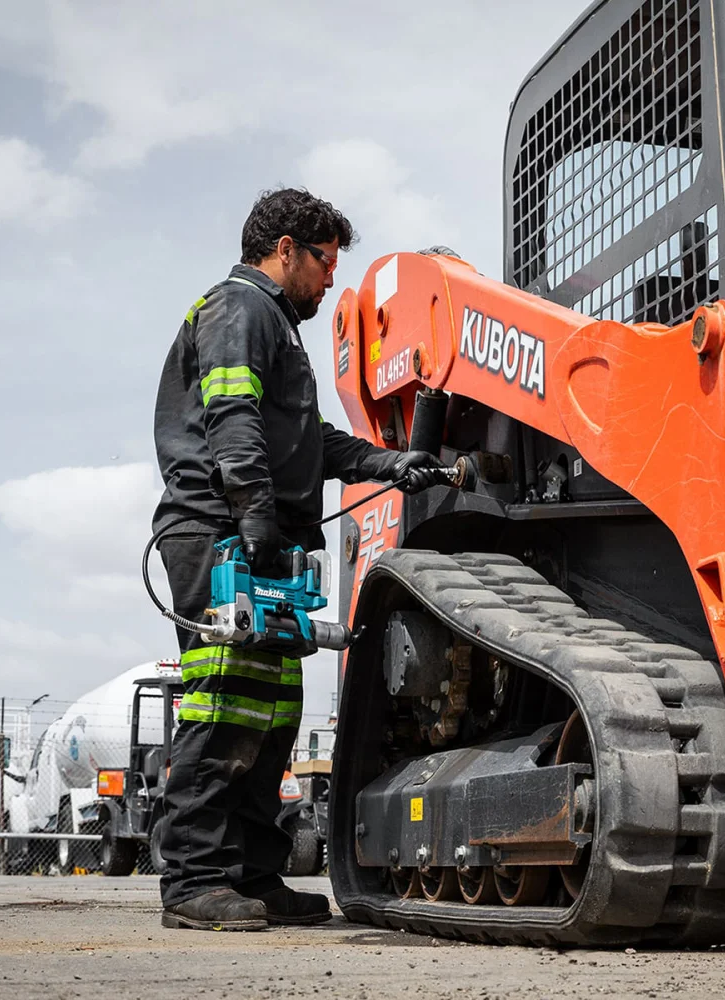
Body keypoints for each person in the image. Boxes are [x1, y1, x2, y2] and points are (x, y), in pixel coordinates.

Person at [152, 188, 441, 931]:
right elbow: (231, 418)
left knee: (272, 713)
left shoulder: (275, 328)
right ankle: (192, 881)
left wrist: (390, 462)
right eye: (325, 264)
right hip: (221, 530)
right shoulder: (239, 310)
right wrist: (252, 516)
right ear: (286, 250)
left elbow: (312, 443)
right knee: (223, 708)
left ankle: (252, 873)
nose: (330, 282)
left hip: (260, 535)